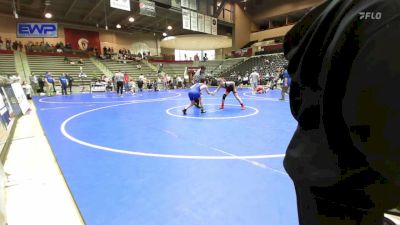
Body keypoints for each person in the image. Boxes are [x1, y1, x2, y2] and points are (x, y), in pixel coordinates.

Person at [283, 1, 400, 225]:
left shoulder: (337, 10)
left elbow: (298, 90)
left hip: (315, 172)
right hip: (356, 184)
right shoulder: (389, 15)